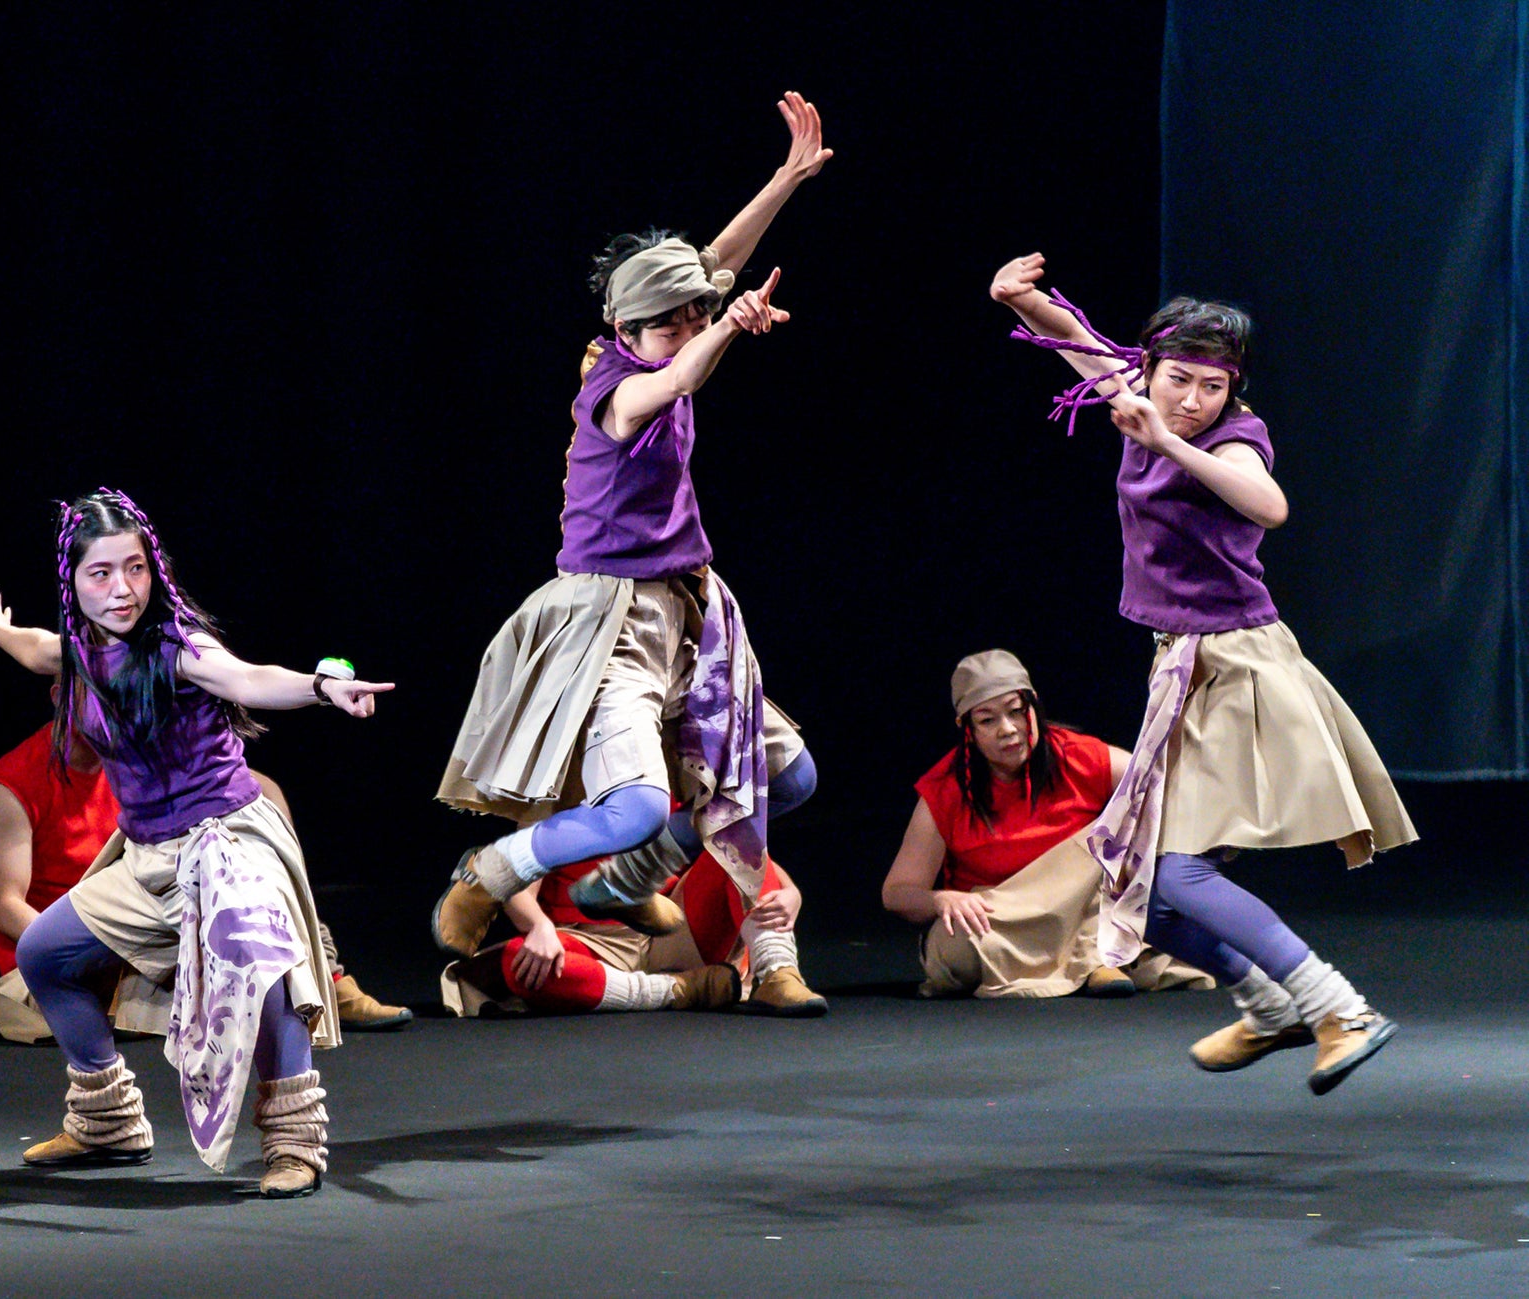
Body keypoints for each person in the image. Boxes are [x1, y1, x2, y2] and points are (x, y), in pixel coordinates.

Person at [433, 94, 831, 1015]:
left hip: (691, 609)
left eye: (695, 317)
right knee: (638, 806)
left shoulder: (669, 322)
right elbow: (681, 372)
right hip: (610, 620)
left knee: (789, 776)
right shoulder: (617, 392)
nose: (686, 331)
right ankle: (490, 867)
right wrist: (727, 328)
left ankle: (627, 880)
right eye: (670, 325)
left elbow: (715, 265)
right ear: (628, 331)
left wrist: (785, 179)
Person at [990, 252, 1416, 1093]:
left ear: (1232, 391)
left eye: (1212, 387)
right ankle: (1269, 1005)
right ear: (1150, 369)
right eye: (1178, 380)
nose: (1191, 400)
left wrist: (1168, 444)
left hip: (1240, 666)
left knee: (1181, 870)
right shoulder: (1138, 395)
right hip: (1181, 668)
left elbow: (1269, 504)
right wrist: (1018, 298)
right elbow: (1075, 338)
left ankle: (1341, 1006)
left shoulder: (1233, 438)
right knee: (1138, 889)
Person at [0, 488, 392, 1194]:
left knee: (263, 967)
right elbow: (39, 650)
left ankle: (294, 1143)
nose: (122, 589)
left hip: (227, 837)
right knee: (43, 954)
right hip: (150, 854)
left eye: (134, 568)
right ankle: (107, 1121)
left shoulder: (175, 645)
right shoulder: (81, 651)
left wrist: (321, 687)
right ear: (73, 583)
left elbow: (247, 677)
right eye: (101, 573)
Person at [0, 711, 411, 1041]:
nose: (115, 708)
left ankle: (327, 984)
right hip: (72, 953)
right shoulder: (13, 784)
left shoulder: (139, 761)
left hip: (146, 926)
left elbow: (257, 788)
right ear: (62, 698)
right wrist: (89, 949)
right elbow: (6, 907)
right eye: (99, 695)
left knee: (249, 885)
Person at [882, 650, 1211, 999]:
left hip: (1080, 915)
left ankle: (1093, 960)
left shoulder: (1080, 756)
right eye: (987, 720)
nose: (1008, 729)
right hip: (1003, 921)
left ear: (1034, 706)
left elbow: (1160, 795)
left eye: (1016, 711)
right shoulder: (946, 790)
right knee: (952, 951)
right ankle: (1090, 964)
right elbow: (897, 892)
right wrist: (940, 900)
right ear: (968, 729)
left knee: (1115, 833)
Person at [442, 847, 827, 1019]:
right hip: (591, 942)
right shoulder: (557, 798)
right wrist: (539, 926)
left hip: (671, 929)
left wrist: (791, 892)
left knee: (738, 844)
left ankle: (778, 975)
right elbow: (516, 880)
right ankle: (678, 990)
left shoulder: (672, 786)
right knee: (520, 962)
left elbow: (745, 846)